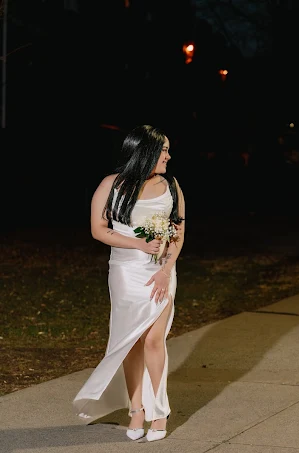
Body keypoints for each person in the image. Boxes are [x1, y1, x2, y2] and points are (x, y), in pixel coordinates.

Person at [73, 125, 185, 442]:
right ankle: (136, 410)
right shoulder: (112, 185)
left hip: (160, 272)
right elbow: (98, 229)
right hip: (125, 271)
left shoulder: (171, 186)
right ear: (146, 151)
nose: (168, 155)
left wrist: (166, 270)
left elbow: (178, 232)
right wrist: (138, 244)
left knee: (154, 340)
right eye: (164, 149)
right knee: (131, 342)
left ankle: (159, 412)